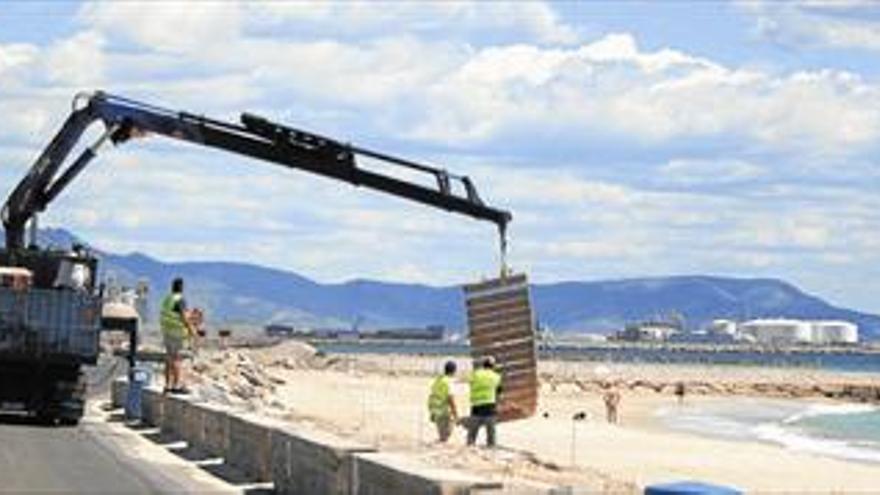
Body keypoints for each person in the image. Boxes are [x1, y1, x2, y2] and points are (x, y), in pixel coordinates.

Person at [160, 277, 195, 394]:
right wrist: (191, 330)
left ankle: (167, 385)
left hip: (166, 331)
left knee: (169, 359)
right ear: (182, 287)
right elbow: (184, 317)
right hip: (176, 333)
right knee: (176, 359)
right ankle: (177, 385)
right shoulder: (180, 300)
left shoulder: (167, 299)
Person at [466, 356, 502, 447]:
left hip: (476, 406)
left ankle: (470, 445)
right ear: (493, 366)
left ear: (483, 365)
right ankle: (491, 446)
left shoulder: (475, 374)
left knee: (472, 434)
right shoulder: (496, 376)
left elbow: (470, 383)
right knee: (491, 434)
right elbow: (499, 393)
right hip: (490, 407)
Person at [427, 360, 459, 443]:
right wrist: (455, 414)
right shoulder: (448, 382)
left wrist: (432, 412)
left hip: (436, 409)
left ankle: (439, 443)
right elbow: (451, 398)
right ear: (454, 371)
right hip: (444, 411)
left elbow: (432, 395)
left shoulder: (438, 380)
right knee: (446, 435)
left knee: (442, 436)